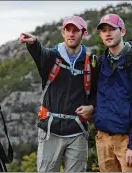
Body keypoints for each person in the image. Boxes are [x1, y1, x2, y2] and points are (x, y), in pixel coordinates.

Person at [18, 16, 99, 172]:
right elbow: (40, 53)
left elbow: (97, 92)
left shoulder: (91, 62)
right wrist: (34, 43)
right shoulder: (52, 57)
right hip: (50, 131)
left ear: (84, 33)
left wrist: (92, 107)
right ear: (63, 33)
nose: (71, 34)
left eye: (76, 30)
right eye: (67, 30)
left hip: (77, 131)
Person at [93, 13, 132, 172]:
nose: (107, 33)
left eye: (112, 29)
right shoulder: (101, 62)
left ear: (122, 31)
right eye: (103, 30)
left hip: (126, 141)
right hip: (103, 140)